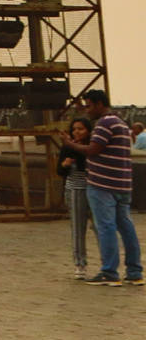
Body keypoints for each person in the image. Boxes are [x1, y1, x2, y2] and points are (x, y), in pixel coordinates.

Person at [60, 89, 142, 286]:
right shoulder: (121, 122)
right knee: (126, 226)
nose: (88, 111)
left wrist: (69, 144)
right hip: (122, 184)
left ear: (98, 104)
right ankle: (134, 271)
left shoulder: (104, 123)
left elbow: (92, 150)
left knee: (106, 227)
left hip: (103, 184)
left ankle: (109, 273)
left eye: (89, 106)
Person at [58, 117, 95, 280]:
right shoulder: (68, 147)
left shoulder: (92, 147)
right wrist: (65, 165)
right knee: (78, 228)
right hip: (75, 189)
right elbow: (59, 170)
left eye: (80, 129)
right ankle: (80, 264)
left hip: (94, 190)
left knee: (100, 227)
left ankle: (108, 264)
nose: (77, 132)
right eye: (74, 129)